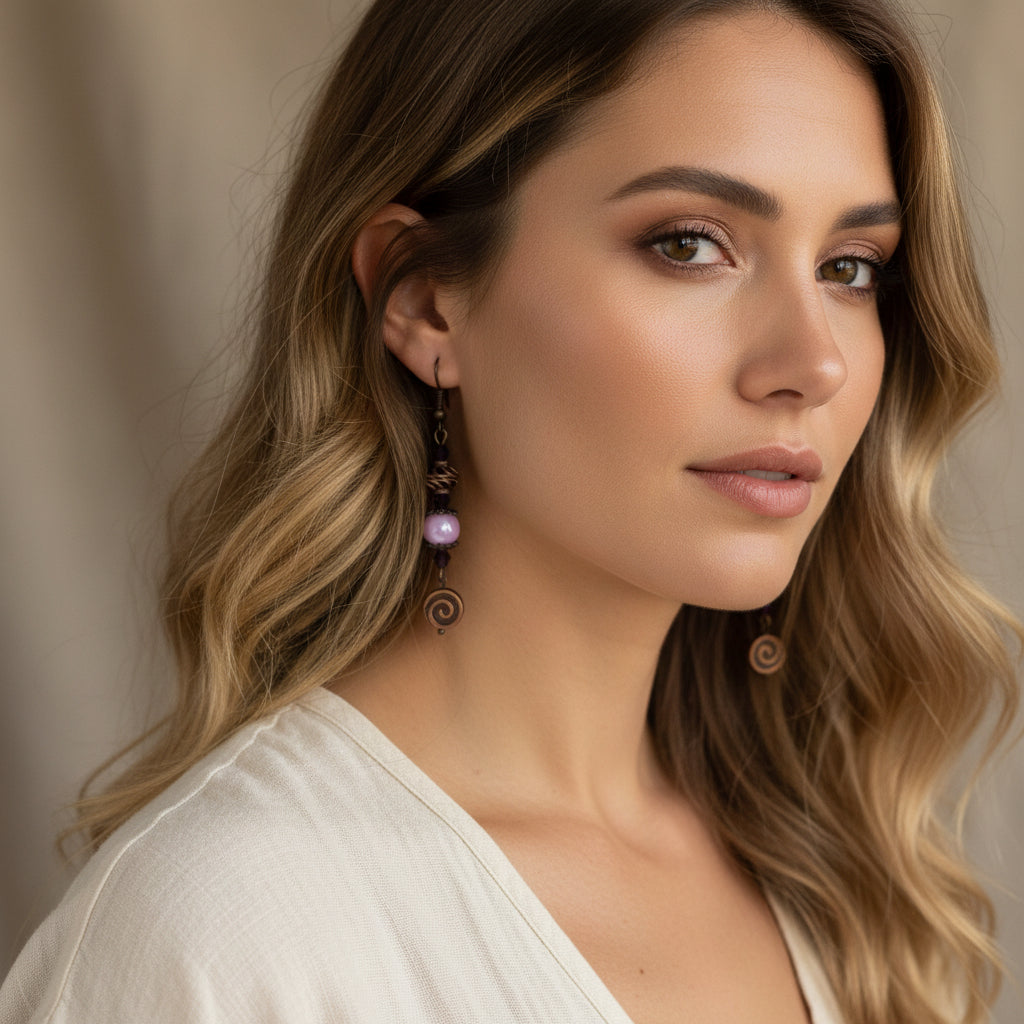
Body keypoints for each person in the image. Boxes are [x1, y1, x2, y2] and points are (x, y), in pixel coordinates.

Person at [1, 0, 1019, 1021]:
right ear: (426, 298)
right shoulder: (228, 933)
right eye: (688, 244)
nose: (814, 362)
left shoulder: (832, 875)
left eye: (849, 268)